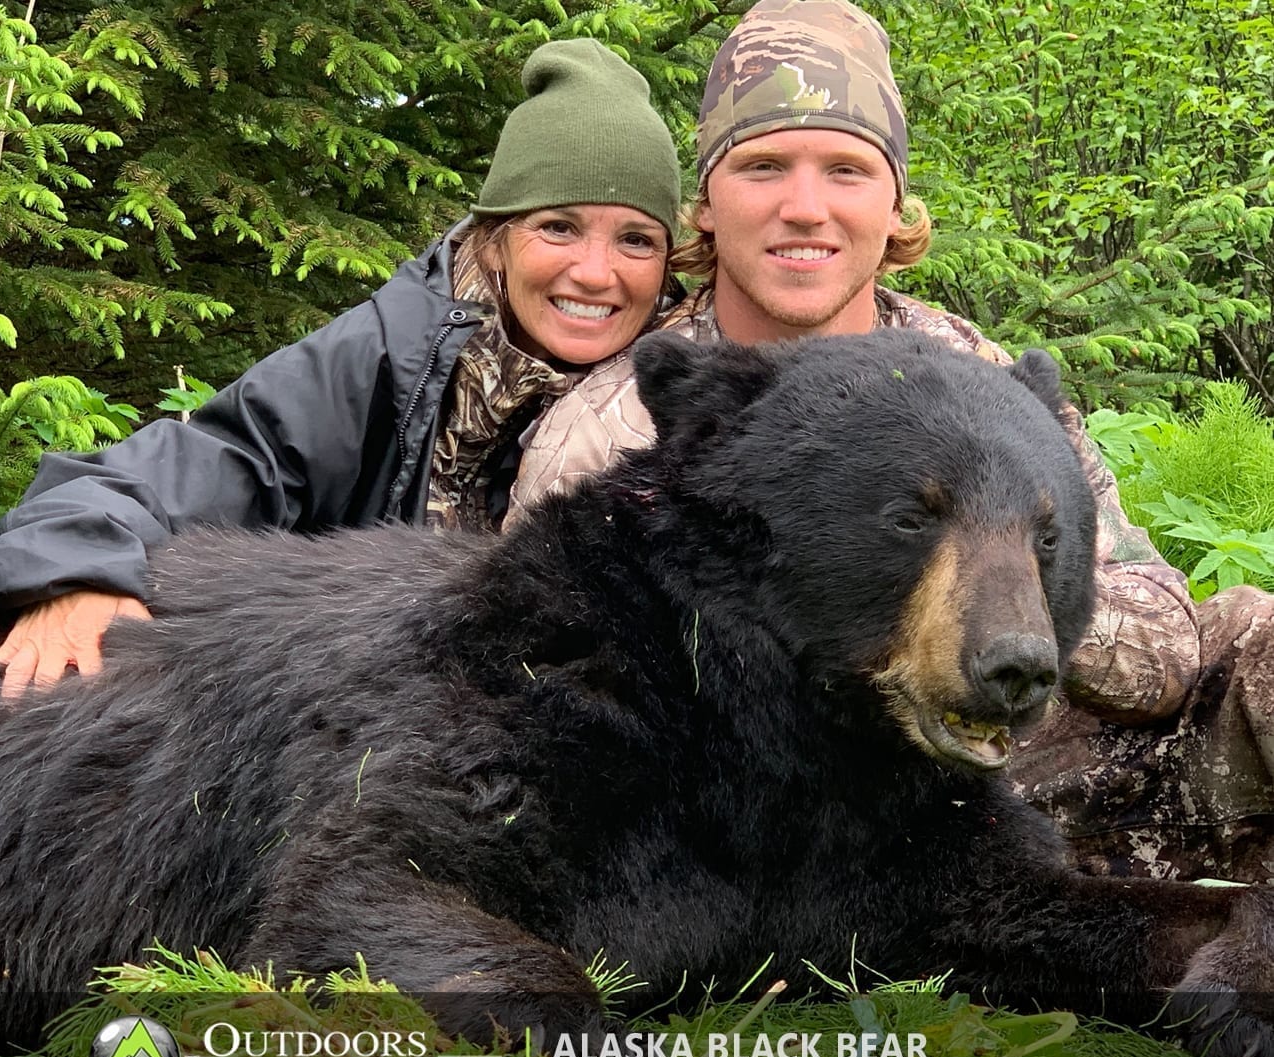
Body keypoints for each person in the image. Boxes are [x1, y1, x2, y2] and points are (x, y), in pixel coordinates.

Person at [505, 0, 1274, 885]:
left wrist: (1003, 611)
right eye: (762, 166)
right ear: (705, 204)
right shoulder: (621, 427)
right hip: (790, 816)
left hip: (1040, 757)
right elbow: (567, 689)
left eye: (846, 169)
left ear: (895, 200)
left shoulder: (978, 382)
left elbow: (1166, 637)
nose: (805, 208)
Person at [0, 38, 683, 699]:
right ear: (494, 240)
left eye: (636, 240)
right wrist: (77, 567)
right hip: (372, 741)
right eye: (558, 226)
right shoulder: (391, 356)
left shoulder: (685, 390)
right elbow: (205, 462)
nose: (596, 272)